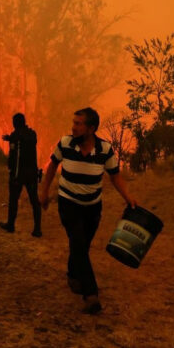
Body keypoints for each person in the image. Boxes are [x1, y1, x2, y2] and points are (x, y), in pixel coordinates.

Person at [39, 107, 137, 315]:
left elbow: (115, 176)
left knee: (82, 245)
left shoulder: (104, 150)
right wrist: (44, 192)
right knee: (78, 241)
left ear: (91, 128)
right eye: (73, 123)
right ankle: (91, 294)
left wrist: (128, 197)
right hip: (68, 203)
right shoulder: (65, 143)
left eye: (78, 124)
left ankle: (73, 274)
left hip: (93, 207)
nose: (73, 127)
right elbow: (52, 166)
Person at [0, 113, 42, 237]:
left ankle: (11, 225)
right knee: (34, 200)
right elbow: (30, 141)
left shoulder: (16, 136)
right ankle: (37, 229)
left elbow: (13, 156)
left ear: (15, 123)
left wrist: (11, 169)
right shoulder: (32, 134)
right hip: (32, 173)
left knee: (13, 199)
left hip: (18, 174)